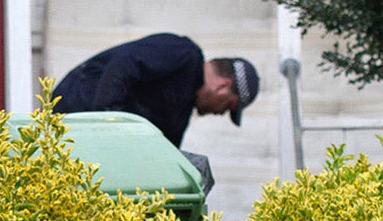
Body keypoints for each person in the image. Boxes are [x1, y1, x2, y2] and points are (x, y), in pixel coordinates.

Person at [50, 34, 259, 149]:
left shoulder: (181, 113)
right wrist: (109, 124)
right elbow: (124, 64)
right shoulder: (184, 53)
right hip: (75, 110)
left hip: (90, 141)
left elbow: (165, 155)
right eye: (228, 106)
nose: (220, 113)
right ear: (222, 86)